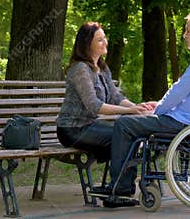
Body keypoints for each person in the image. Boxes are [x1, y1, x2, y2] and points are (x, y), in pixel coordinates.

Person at [92, 11, 190, 203]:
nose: (184, 35)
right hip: (187, 119)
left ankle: (121, 186)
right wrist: (158, 105)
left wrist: (157, 110)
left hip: (184, 124)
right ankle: (124, 183)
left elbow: (180, 90)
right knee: (132, 123)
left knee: (124, 124)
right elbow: (186, 93)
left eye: (188, 31)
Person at [56, 22, 151, 163]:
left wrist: (138, 108)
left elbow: (115, 96)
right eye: (100, 40)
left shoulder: (102, 67)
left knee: (131, 135)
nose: (105, 42)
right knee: (125, 136)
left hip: (90, 125)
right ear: (87, 44)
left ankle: (123, 181)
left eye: (104, 38)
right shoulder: (80, 69)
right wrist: (130, 111)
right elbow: (94, 105)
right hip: (72, 130)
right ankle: (120, 183)